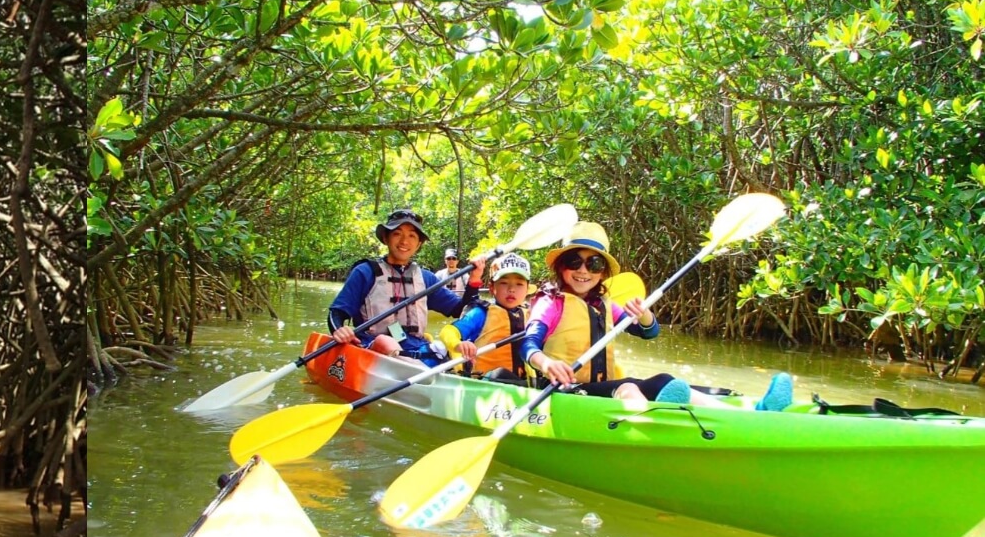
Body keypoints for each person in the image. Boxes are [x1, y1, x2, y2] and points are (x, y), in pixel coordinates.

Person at [520, 222, 793, 410]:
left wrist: (645, 315)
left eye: (594, 264)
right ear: (560, 266)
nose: (584, 271)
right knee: (627, 387)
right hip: (562, 392)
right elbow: (528, 344)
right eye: (573, 262)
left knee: (664, 380)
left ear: (602, 271)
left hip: (599, 389)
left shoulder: (603, 304)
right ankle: (650, 424)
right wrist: (546, 363)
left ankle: (754, 412)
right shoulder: (551, 302)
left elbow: (649, 333)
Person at [328, 208, 482, 366]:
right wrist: (339, 330)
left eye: (412, 236)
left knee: (447, 346)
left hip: (414, 346)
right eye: (397, 233)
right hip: (373, 346)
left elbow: (460, 309)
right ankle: (421, 371)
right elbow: (337, 313)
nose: (404, 241)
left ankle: (432, 370)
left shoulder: (425, 278)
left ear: (419, 244)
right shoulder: (366, 272)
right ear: (385, 237)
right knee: (385, 341)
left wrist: (474, 280)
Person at [449, 253, 538, 387]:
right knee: (500, 374)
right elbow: (449, 331)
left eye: (519, 284)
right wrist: (457, 343)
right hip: (486, 383)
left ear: (527, 290)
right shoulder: (481, 313)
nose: (511, 289)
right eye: (503, 283)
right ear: (491, 288)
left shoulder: (532, 315)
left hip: (523, 384)